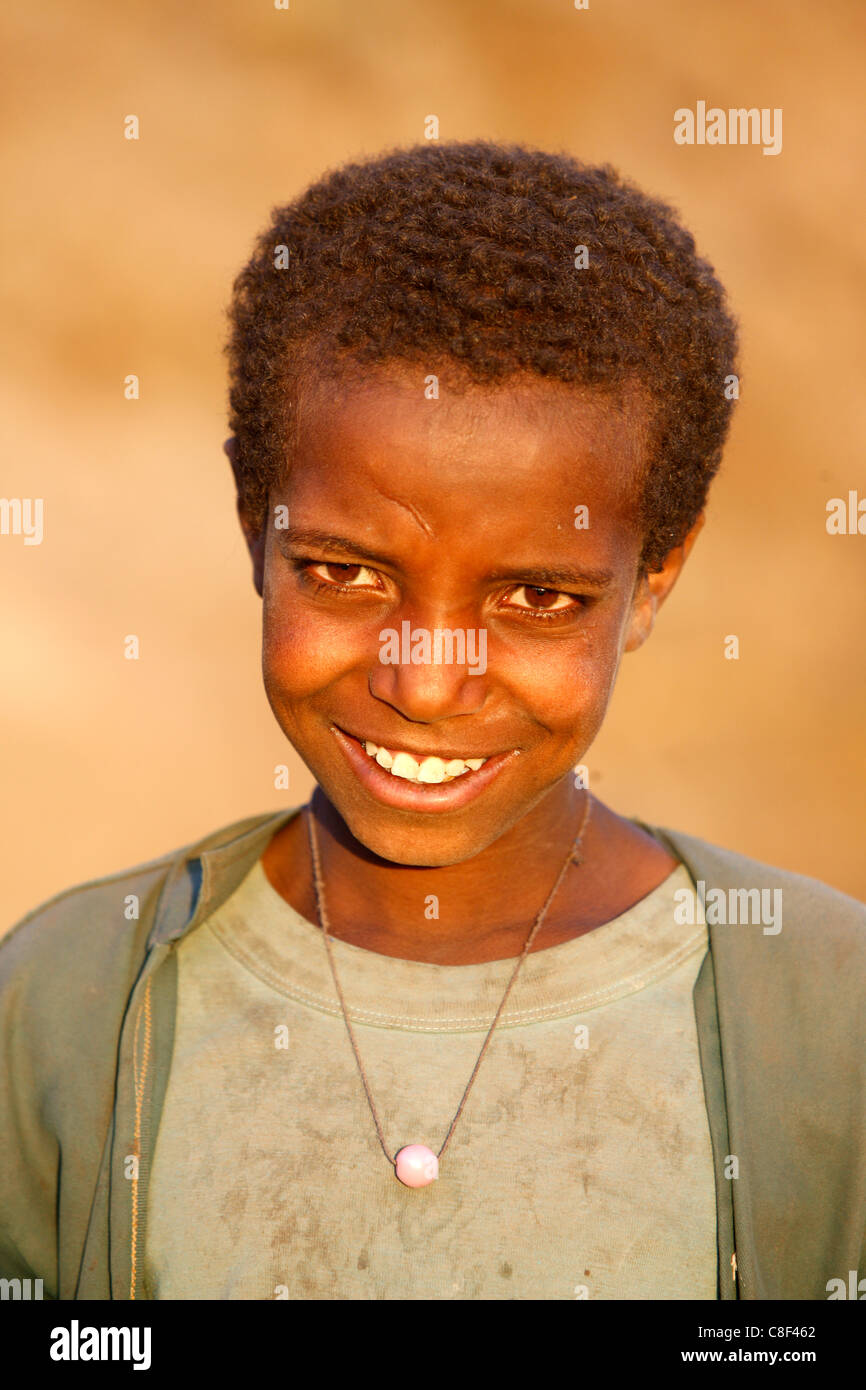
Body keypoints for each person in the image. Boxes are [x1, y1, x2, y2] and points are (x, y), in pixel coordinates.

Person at [2, 141, 863, 1302]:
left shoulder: (824, 1019)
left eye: (538, 598)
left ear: (655, 577)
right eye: (345, 574)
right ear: (255, 526)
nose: (423, 682)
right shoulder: (64, 1008)